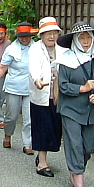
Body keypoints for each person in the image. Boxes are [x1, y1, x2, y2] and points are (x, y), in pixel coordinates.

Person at [56, 21, 94, 187]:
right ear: (75, 40)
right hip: (70, 109)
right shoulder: (66, 60)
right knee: (75, 144)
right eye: (82, 38)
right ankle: (79, 184)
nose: (86, 41)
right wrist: (83, 89)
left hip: (91, 110)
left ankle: (76, 168)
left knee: (88, 146)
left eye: (89, 37)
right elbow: (63, 86)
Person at [0, 22, 36, 154]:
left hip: (31, 88)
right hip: (14, 87)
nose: (24, 38)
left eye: (27, 36)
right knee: (11, 117)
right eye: (22, 36)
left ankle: (27, 144)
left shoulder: (37, 48)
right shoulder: (11, 49)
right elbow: (2, 67)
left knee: (29, 117)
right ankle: (8, 135)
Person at [28, 17, 67, 177]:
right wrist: (37, 79)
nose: (51, 37)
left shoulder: (63, 48)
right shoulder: (35, 49)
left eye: (54, 33)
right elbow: (33, 67)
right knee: (42, 128)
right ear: (41, 35)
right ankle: (42, 162)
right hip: (41, 94)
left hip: (58, 95)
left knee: (55, 128)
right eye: (47, 33)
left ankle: (43, 155)